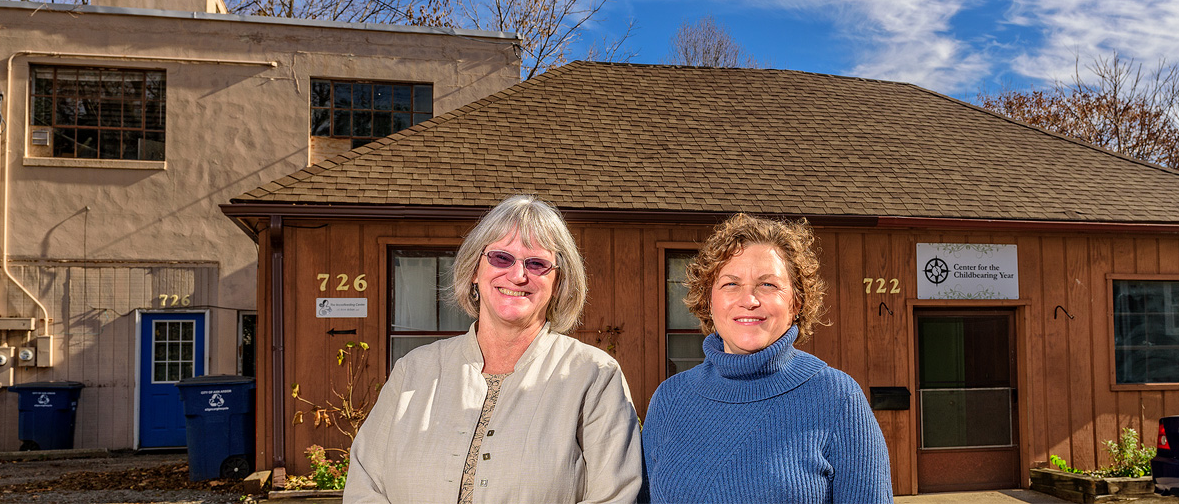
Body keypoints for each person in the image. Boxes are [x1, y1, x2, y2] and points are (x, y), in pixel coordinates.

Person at [344, 194, 642, 504]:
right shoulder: (413, 371)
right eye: (501, 258)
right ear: (475, 269)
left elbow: (614, 497)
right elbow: (364, 487)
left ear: (558, 282)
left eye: (537, 263)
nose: (517, 275)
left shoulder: (594, 375)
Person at [642, 213, 892, 504]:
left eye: (768, 285)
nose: (749, 300)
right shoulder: (670, 400)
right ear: (709, 300)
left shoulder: (837, 398)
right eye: (731, 284)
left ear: (796, 301)